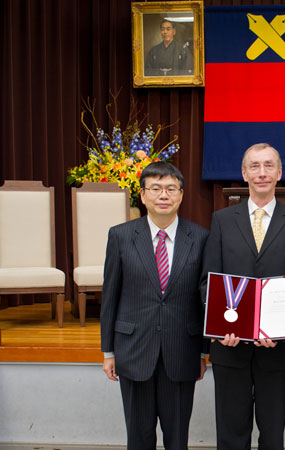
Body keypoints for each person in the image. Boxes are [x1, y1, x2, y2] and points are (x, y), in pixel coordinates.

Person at [201, 143, 285, 450]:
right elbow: (207, 281)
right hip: (229, 346)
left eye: (268, 166)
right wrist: (218, 326)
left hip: (277, 350)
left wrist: (284, 329)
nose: (261, 173)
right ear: (244, 173)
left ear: (279, 172)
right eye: (254, 166)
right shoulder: (222, 220)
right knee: (230, 434)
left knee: (273, 435)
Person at [100, 161, 209, 450]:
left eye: (171, 188)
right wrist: (108, 351)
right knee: (138, 438)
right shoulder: (121, 236)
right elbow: (110, 295)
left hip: (182, 351)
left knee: (177, 439)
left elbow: (203, 299)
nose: (164, 195)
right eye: (156, 188)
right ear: (143, 194)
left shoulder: (199, 237)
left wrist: (203, 350)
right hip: (133, 349)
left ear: (181, 195)